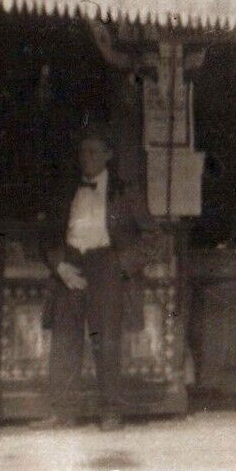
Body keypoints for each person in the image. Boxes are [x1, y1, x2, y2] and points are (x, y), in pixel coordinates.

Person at [43, 124, 157, 432]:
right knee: (65, 340)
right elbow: (48, 235)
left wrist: (121, 268)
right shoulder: (66, 189)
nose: (87, 157)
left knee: (106, 340)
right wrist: (59, 266)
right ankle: (63, 411)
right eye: (83, 151)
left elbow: (152, 237)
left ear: (108, 155)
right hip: (71, 266)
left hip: (107, 265)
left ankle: (110, 410)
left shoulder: (125, 191)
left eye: (94, 151)